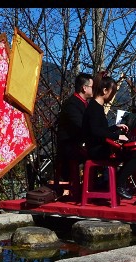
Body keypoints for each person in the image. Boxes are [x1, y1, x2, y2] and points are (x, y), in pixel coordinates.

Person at [81, 72, 136, 200]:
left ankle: (118, 182)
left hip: (100, 146)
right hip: (97, 150)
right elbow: (95, 131)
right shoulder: (94, 107)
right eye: (112, 92)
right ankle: (119, 183)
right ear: (105, 90)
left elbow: (100, 129)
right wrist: (116, 136)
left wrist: (116, 127)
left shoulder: (96, 107)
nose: (113, 95)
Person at [55, 72, 94, 200]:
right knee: (97, 154)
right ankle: (89, 191)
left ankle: (92, 189)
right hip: (69, 146)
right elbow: (81, 126)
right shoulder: (72, 104)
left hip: (78, 144)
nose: (93, 90)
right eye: (92, 87)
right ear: (84, 88)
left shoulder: (83, 103)